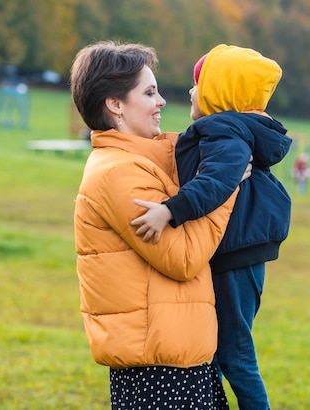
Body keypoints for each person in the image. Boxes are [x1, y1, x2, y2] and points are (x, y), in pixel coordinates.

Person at [71, 40, 247, 410]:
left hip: (183, 358)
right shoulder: (118, 174)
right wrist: (225, 189)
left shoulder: (151, 162)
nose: (162, 101)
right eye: (149, 92)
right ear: (115, 104)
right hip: (159, 373)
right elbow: (182, 257)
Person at [132, 44, 292, 410]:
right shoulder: (228, 129)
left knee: (234, 351)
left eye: (198, 85)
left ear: (220, 95)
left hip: (235, 254)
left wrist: (170, 211)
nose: (190, 92)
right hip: (236, 251)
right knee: (218, 350)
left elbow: (218, 181)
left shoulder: (226, 130)